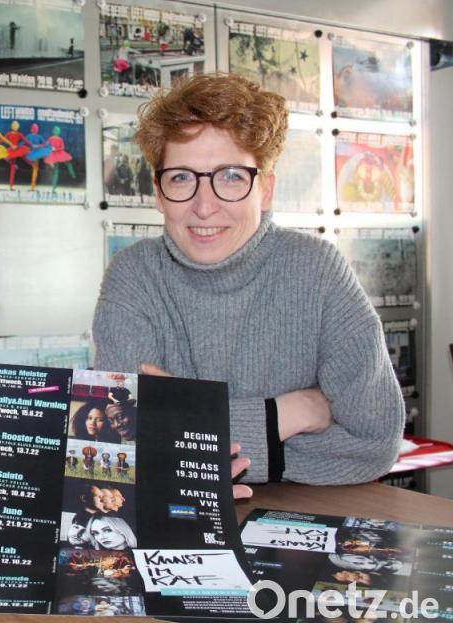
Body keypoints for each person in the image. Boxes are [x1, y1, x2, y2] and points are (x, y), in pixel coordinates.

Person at [93, 73, 404, 489]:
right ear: (159, 193)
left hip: (304, 515)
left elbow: (374, 442)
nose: (205, 206)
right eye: (181, 177)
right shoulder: (133, 275)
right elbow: (122, 443)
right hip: (175, 522)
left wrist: (191, 429)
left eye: (232, 177)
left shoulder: (317, 270)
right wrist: (290, 413)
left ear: (267, 190)